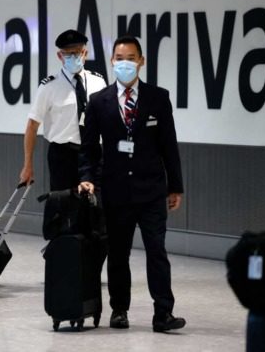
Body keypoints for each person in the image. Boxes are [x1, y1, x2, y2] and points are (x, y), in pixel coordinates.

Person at [78, 35, 186, 332]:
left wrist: (175, 186)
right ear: (112, 61)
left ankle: (163, 313)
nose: (125, 63)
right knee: (118, 254)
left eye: (130, 58)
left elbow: (169, 146)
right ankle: (119, 310)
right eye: (119, 58)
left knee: (157, 251)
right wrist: (87, 178)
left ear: (141, 61)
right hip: (115, 191)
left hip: (152, 190)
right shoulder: (98, 102)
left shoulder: (158, 98)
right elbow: (88, 148)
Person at [19, 29, 106, 190]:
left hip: (93, 153)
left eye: (77, 52)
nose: (73, 57)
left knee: (95, 208)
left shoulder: (98, 82)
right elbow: (32, 126)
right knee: (64, 208)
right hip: (63, 155)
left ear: (85, 53)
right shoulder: (49, 87)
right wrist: (27, 164)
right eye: (68, 54)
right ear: (60, 56)